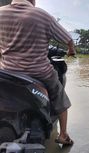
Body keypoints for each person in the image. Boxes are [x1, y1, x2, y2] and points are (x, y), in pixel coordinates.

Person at [0, 0, 75, 145]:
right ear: (33, 0)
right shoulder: (42, 15)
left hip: (6, 72)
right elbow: (68, 39)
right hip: (40, 72)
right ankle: (63, 135)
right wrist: (71, 50)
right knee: (60, 97)